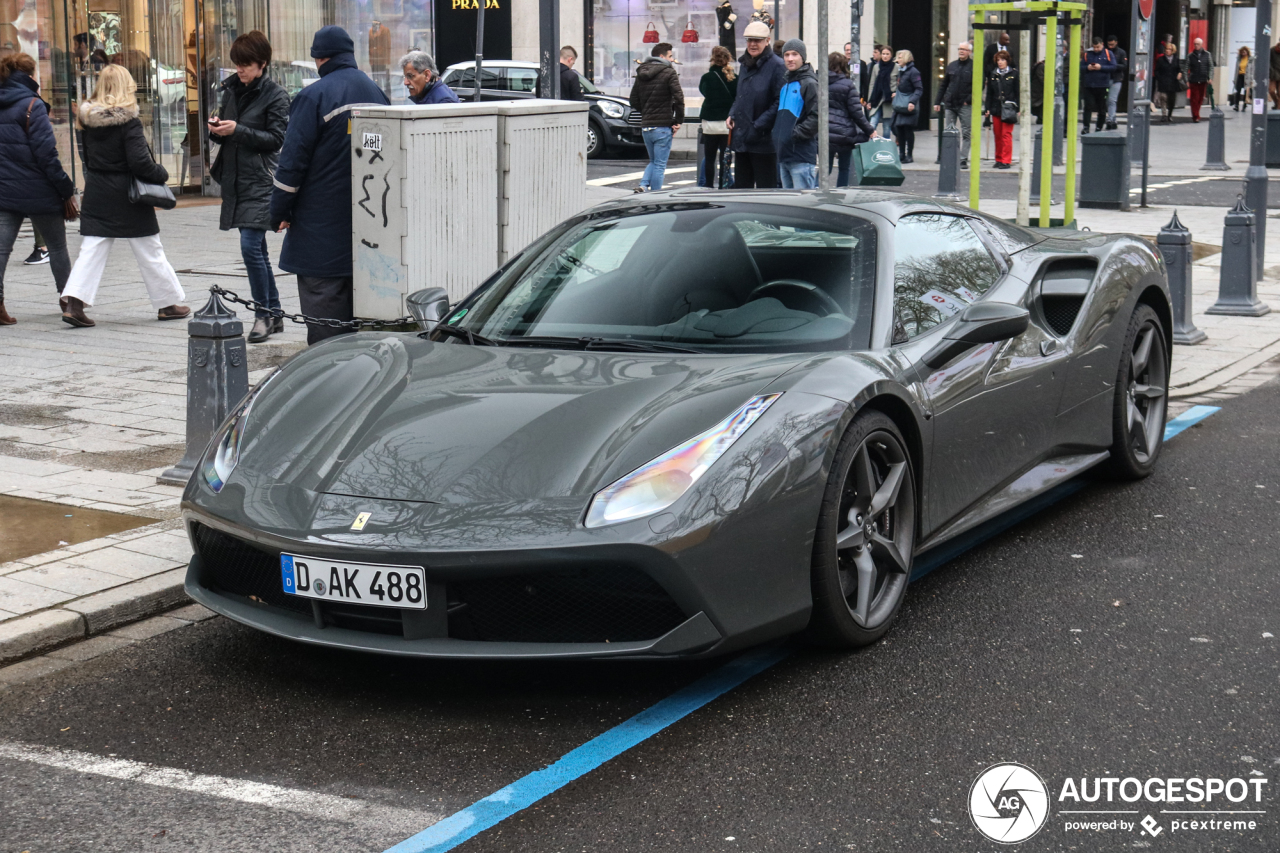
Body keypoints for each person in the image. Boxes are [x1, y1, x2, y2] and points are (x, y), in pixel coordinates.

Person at [270, 26, 389, 345]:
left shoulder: (313, 97)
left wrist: (277, 212)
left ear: (319, 58)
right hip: (371, 231)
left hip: (319, 234)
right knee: (365, 330)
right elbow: (376, 152)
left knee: (327, 333)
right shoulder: (377, 95)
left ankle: (333, 386)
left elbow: (292, 164)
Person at [59, 64, 187, 328]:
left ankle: (74, 304)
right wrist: (162, 174)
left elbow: (87, 158)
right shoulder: (128, 121)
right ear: (125, 86)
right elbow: (140, 163)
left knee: (92, 249)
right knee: (149, 248)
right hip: (128, 195)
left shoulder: (86, 119)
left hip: (97, 190)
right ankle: (167, 303)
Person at [209, 30, 290, 344]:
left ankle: (262, 315)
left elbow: (276, 140)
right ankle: (276, 312)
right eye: (237, 64)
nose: (240, 70)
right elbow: (227, 131)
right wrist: (217, 129)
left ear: (262, 63)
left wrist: (238, 130)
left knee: (250, 248)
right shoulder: (231, 90)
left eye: (246, 64)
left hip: (261, 180)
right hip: (235, 179)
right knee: (257, 250)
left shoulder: (276, 95)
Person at [0, 52, 77, 326]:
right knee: (56, 247)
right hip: (40, 192)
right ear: (31, 75)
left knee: (2, 249)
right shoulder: (33, 105)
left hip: (5, 191)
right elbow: (47, 155)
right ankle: (69, 302)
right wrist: (65, 186)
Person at [726, 21, 786, 188]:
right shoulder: (745, 64)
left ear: (767, 41)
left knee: (765, 190)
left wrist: (758, 126)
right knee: (741, 188)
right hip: (742, 135)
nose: (752, 44)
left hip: (764, 139)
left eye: (757, 40)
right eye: (749, 40)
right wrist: (732, 113)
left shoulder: (777, 66)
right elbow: (741, 95)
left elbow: (779, 102)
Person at [628, 42, 684, 193]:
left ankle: (643, 185)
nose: (672, 59)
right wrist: (678, 120)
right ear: (662, 56)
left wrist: (646, 111)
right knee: (660, 164)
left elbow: (633, 100)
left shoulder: (641, 72)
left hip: (646, 126)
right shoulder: (669, 72)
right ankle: (656, 195)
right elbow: (679, 98)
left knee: (654, 161)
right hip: (662, 126)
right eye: (670, 56)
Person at [772, 38, 818, 189]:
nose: (790, 59)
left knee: (804, 207)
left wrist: (793, 134)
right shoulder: (786, 84)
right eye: (787, 55)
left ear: (802, 57)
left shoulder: (809, 83)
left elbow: (818, 117)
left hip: (801, 156)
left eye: (795, 54)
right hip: (785, 155)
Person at [827, 52, 876, 187]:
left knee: (825, 169)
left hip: (825, 132)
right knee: (844, 168)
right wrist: (870, 130)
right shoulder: (848, 85)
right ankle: (841, 195)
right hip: (844, 133)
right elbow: (856, 113)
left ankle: (818, 191)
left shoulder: (819, 82)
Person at [698, 46, 737, 188]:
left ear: (713, 59)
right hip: (727, 123)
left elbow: (704, 92)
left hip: (710, 123)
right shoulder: (734, 78)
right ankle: (723, 185)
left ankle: (708, 185)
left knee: (709, 158)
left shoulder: (707, 78)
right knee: (724, 159)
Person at [934, 42, 974, 169]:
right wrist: (937, 101)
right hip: (950, 103)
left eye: (964, 49)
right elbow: (944, 85)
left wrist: (968, 100)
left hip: (965, 105)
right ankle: (949, 156)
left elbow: (978, 86)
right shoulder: (952, 66)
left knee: (967, 132)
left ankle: (963, 158)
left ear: (969, 52)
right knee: (949, 132)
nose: (961, 51)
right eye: (960, 49)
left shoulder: (974, 66)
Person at [984, 50, 1018, 169]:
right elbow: (989, 93)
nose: (1000, 62)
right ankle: (998, 158)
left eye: (1002, 60)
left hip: (1009, 107)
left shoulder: (1014, 74)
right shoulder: (993, 74)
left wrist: (1018, 108)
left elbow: (1017, 91)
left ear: (1007, 61)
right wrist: (987, 108)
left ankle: (1006, 160)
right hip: (996, 107)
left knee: (1006, 135)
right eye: (998, 60)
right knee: (997, 134)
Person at [891, 49, 921, 163]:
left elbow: (919, 88)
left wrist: (912, 101)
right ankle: (901, 154)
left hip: (909, 105)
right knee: (899, 129)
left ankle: (909, 155)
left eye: (900, 57)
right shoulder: (901, 71)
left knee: (907, 129)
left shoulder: (913, 72)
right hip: (901, 105)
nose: (897, 60)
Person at [1081, 38, 1117, 134]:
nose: (1096, 49)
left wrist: (1101, 67)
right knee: (1088, 106)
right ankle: (1086, 127)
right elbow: (1081, 67)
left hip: (1102, 84)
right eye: (1094, 47)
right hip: (1089, 84)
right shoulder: (1087, 54)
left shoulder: (1108, 54)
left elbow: (1113, 66)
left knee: (1101, 107)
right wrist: (1087, 68)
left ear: (1102, 44)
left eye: (1098, 47)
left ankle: (1099, 127)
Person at [866, 45, 897, 139]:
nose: (885, 56)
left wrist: (896, 93)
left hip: (889, 100)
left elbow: (899, 83)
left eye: (887, 54)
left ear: (891, 55)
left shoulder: (896, 67)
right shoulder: (876, 67)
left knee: (887, 127)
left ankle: (885, 147)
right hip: (877, 98)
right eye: (883, 54)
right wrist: (869, 101)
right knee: (872, 123)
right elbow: (872, 84)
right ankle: (871, 145)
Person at [1186, 38, 1213, 122]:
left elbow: (1211, 67)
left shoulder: (1207, 54)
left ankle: (1196, 113)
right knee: (1194, 98)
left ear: (1201, 45)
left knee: (1200, 98)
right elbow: (1186, 68)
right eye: (1195, 44)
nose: (1196, 45)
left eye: (1197, 44)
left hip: (1203, 79)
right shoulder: (1190, 56)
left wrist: (1210, 77)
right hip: (1193, 79)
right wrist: (1186, 79)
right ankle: (1195, 116)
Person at [1155, 45, 1184, 122]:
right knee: (1163, 98)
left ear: (1173, 50)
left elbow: (1179, 69)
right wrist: (1160, 78)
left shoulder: (1176, 59)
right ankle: (1164, 115)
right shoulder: (1161, 59)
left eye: (1169, 49)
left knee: (1171, 100)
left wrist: (1179, 73)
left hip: (1173, 82)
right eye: (1166, 49)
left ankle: (1169, 115)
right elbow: (1157, 71)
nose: (1167, 51)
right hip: (1163, 82)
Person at [1105, 35, 1127, 130]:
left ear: (1116, 43)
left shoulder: (1121, 52)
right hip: (1106, 78)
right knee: (1107, 100)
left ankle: (1111, 119)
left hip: (1116, 78)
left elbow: (1124, 66)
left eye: (1112, 44)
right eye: (1109, 44)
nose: (1110, 46)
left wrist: (1113, 66)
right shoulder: (1105, 52)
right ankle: (1112, 118)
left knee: (1112, 100)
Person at [1234, 46, 1253, 111]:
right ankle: (1236, 105)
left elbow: (1252, 69)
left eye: (1245, 52)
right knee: (1238, 90)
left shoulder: (1250, 59)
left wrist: (1251, 79)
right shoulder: (1239, 59)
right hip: (1240, 76)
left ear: (1247, 52)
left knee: (1246, 91)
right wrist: (1235, 79)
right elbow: (1236, 69)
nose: (1243, 53)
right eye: (1242, 52)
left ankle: (1244, 105)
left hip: (1247, 76)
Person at [1270, 43, 1280, 109]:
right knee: (1271, 91)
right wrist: (1271, 71)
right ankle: (1276, 103)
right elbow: (1268, 61)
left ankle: (1278, 107)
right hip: (1273, 74)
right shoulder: (1272, 50)